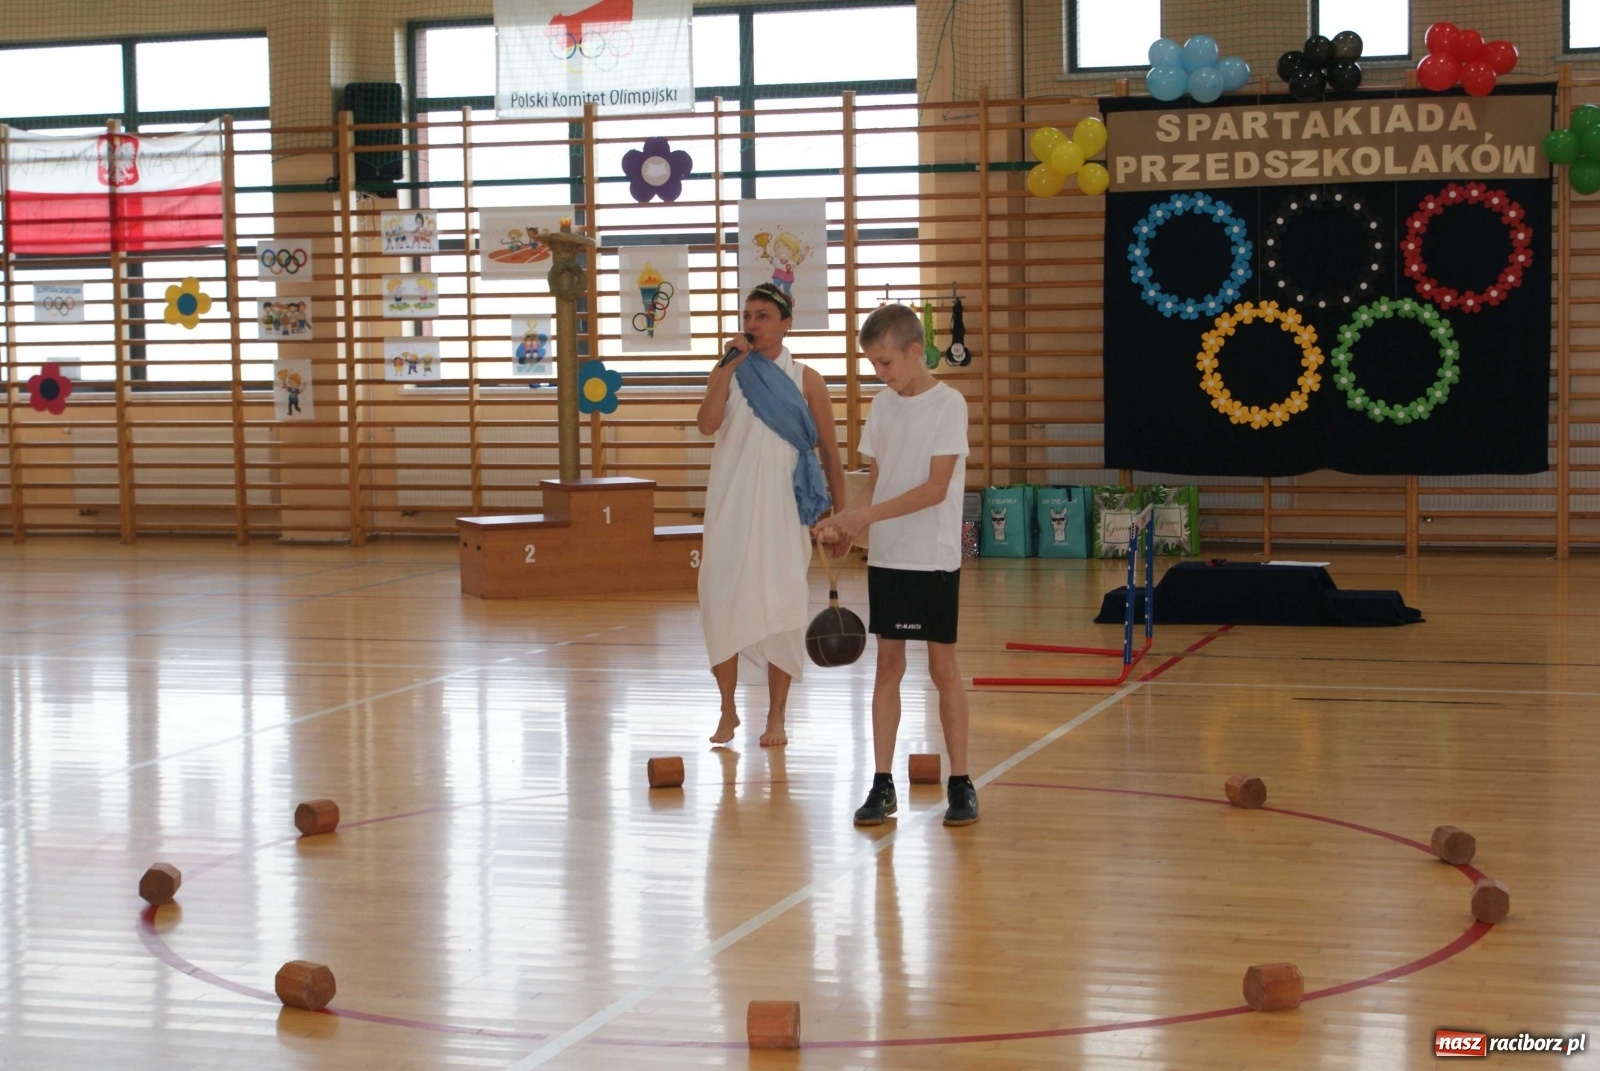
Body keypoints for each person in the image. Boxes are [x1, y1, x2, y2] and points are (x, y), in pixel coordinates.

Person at [814, 303, 975, 827]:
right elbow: (876, 478)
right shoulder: (883, 407)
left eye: (886, 363)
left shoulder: (949, 405)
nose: (880, 374)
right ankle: (882, 786)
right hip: (888, 557)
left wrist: (864, 517)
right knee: (887, 665)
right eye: (873, 365)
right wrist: (845, 523)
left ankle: (961, 782)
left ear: (914, 350)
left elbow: (934, 489)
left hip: (932, 557)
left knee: (941, 668)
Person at [697, 283, 846, 747]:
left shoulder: (807, 379)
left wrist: (841, 516)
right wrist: (725, 369)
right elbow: (706, 424)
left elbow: (830, 453)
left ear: (786, 324)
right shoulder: (731, 371)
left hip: (784, 514)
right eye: (747, 316)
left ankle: (776, 717)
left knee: (782, 611)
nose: (752, 324)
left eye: (762, 316)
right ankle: (727, 710)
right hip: (729, 509)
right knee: (719, 603)